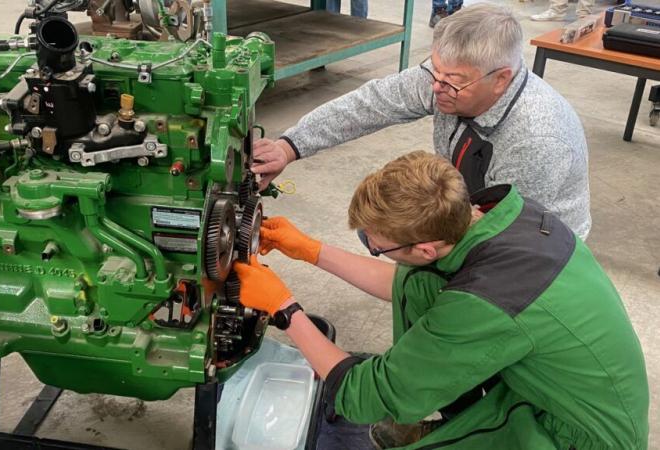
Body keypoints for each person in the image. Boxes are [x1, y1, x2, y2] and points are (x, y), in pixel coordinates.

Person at [233, 151, 649, 450]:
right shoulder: (500, 219)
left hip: (575, 434)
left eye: (374, 245)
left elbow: (363, 396)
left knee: (376, 392)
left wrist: (285, 309)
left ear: (427, 247)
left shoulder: (485, 299)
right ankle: (439, 412)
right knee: (419, 286)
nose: (370, 247)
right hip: (551, 384)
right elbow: (405, 281)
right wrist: (309, 249)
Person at [252, 4, 592, 240]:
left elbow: (501, 235)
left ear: (501, 79)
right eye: (435, 70)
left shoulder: (538, 139)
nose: (435, 87)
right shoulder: (448, 78)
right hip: (475, 204)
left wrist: (404, 237)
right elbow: (370, 105)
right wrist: (289, 146)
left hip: (535, 244)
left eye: (452, 80)